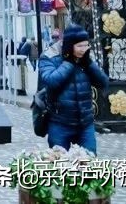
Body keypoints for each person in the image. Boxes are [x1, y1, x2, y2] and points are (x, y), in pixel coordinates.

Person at [39, 24, 109, 154]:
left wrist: (89, 63)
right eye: (79, 46)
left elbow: (103, 82)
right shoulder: (50, 57)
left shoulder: (85, 60)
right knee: (60, 163)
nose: (84, 49)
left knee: (89, 162)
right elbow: (51, 81)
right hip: (60, 122)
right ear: (70, 45)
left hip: (85, 123)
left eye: (86, 45)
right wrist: (70, 62)